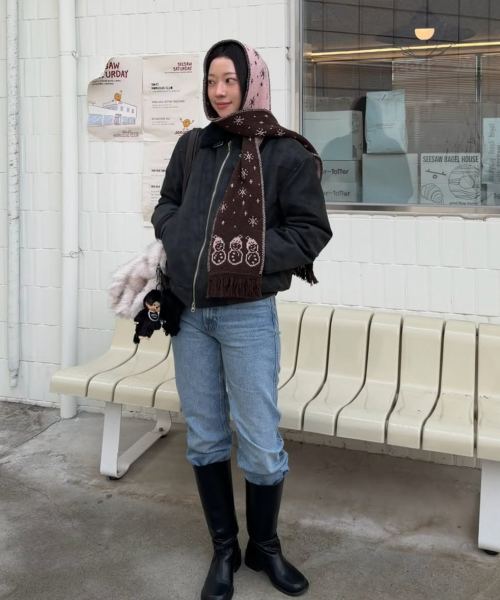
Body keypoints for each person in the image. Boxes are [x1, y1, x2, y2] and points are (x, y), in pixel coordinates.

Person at [151, 39, 332, 600]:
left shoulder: (285, 153)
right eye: (212, 80)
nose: (219, 91)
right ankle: (225, 549)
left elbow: (310, 231)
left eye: (229, 79)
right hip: (190, 314)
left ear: (252, 82)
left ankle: (265, 547)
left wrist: (241, 253)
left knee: (259, 440)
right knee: (206, 437)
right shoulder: (193, 145)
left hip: (247, 316)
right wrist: (184, 241)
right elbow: (165, 207)